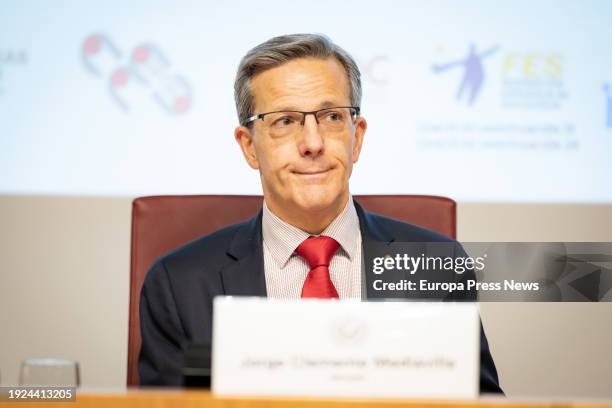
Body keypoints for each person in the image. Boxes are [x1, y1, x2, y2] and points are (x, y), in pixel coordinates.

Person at [138, 33, 503, 393]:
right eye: (284, 121)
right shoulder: (177, 283)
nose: (312, 143)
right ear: (249, 146)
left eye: (330, 117)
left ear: (356, 137)